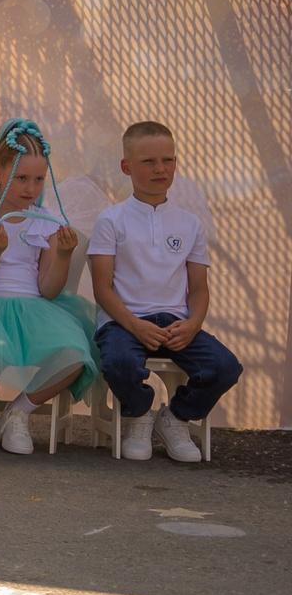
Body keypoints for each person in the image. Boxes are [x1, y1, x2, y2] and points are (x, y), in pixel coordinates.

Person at [89, 121, 241, 463]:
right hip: (122, 321)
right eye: (148, 162)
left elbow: (199, 289)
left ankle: (174, 419)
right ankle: (139, 416)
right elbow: (102, 288)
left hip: (175, 322)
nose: (160, 169)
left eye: (167, 160)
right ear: (126, 167)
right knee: (120, 363)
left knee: (225, 367)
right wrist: (134, 324)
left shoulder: (191, 224)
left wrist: (193, 324)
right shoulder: (110, 220)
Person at [0, 120, 97, 455]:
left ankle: (18, 412)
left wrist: (63, 256)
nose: (31, 187)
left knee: (75, 357)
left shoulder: (45, 222)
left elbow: (49, 290)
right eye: (21, 178)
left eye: (39, 179)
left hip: (35, 310)